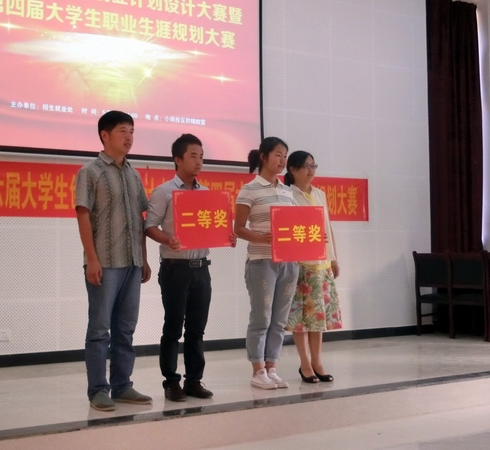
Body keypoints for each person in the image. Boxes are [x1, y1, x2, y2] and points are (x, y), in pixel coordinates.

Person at [145, 133, 236, 402]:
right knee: (173, 327)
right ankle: (171, 382)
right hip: (175, 269)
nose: (199, 161)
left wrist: (227, 236)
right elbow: (149, 226)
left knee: (197, 328)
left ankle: (194, 380)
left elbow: (213, 227)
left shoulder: (206, 194)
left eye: (202, 156)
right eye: (193, 156)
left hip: (201, 269)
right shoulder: (164, 192)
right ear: (178, 159)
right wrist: (167, 239)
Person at [75, 110, 152, 411]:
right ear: (104, 135)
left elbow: (141, 219)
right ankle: (98, 390)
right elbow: (83, 216)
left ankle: (122, 386)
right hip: (104, 263)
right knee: (99, 329)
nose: (129, 137)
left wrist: (144, 258)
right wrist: (91, 259)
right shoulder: (90, 172)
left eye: (132, 131)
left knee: (126, 328)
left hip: (132, 263)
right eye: (123, 131)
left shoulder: (133, 174)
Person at [234, 137, 300, 390]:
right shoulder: (250, 189)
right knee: (261, 317)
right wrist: (260, 237)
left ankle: (272, 368)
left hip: (288, 261)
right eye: (278, 155)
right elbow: (238, 228)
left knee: (279, 319)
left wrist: (313, 237)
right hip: (261, 261)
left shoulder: (288, 191)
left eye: (285, 155)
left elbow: (297, 225)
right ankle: (258, 370)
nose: (282, 160)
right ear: (263, 157)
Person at [283, 150, 342, 383]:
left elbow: (327, 227)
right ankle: (305, 364)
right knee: (301, 318)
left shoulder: (319, 194)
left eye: (313, 166)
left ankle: (318, 362)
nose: (311, 170)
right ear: (292, 170)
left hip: (321, 263)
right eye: (306, 166)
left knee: (318, 317)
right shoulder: (287, 195)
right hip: (299, 264)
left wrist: (333, 258)